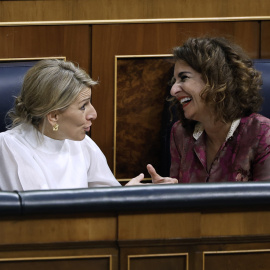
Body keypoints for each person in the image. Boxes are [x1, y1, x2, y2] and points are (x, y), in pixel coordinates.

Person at [0, 59, 177, 191]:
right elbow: (42, 215)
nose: (93, 114)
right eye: (83, 106)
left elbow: (109, 199)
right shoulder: (8, 147)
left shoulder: (81, 142)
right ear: (53, 116)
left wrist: (148, 194)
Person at [168, 36, 270, 182]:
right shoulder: (180, 134)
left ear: (215, 80)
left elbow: (264, 203)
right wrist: (167, 193)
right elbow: (179, 195)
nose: (173, 90)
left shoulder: (263, 134)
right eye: (174, 81)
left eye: (184, 78)